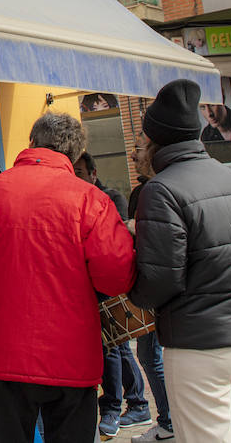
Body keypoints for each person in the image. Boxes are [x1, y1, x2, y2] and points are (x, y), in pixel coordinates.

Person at [0, 113, 135, 442]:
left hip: (2, 353)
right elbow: (115, 277)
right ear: (75, 153)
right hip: (71, 354)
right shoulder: (91, 200)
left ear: (32, 142)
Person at [130, 79, 231, 443]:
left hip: (201, 344)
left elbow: (159, 281)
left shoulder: (161, 189)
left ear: (154, 141)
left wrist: (135, 293)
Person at [74, 152, 150, 438]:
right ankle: (138, 402)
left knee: (114, 348)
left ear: (93, 173)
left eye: (80, 172)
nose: (75, 177)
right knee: (117, 347)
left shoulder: (110, 198)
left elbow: (116, 239)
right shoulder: (76, 201)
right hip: (91, 288)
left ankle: (113, 408)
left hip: (112, 289)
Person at [127, 133, 174, 443]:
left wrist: (137, 227)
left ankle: (171, 421)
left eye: (138, 150)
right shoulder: (140, 192)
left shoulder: (165, 190)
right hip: (150, 292)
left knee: (159, 358)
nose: (134, 157)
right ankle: (169, 419)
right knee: (149, 355)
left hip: (170, 296)